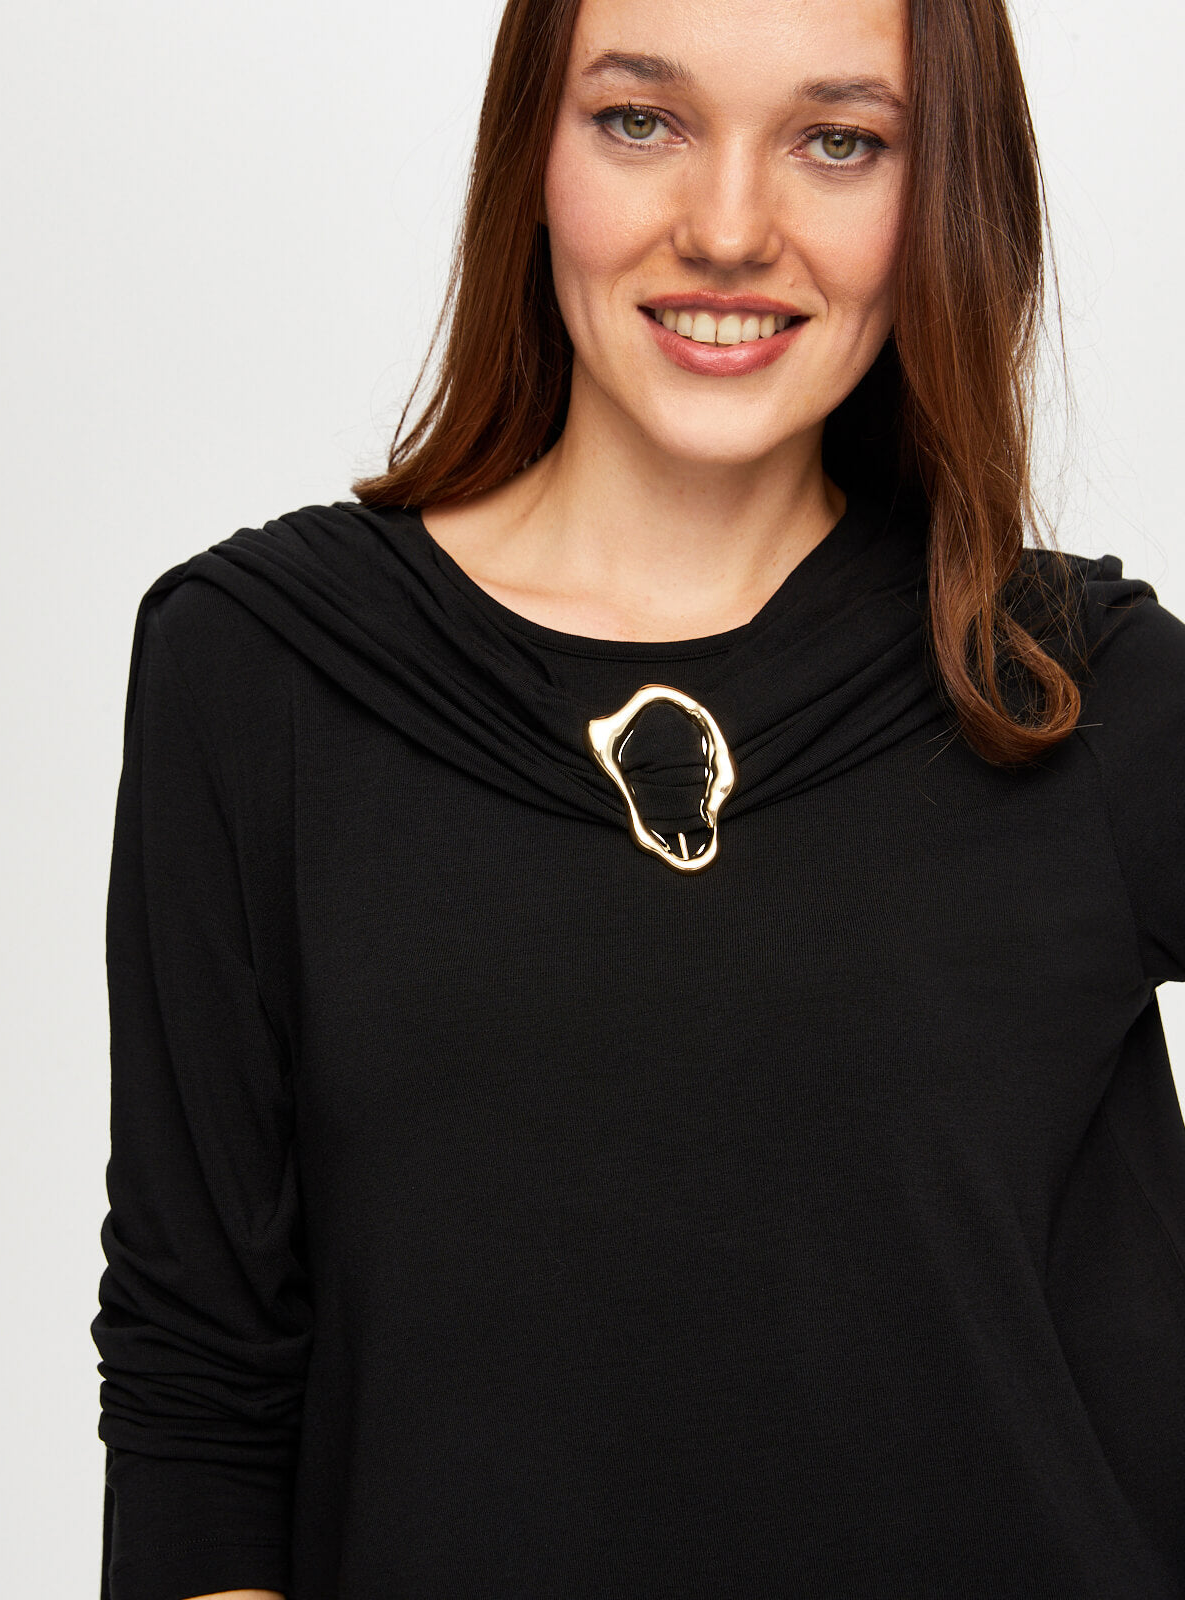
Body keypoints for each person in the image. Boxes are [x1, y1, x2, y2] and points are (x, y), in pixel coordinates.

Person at [91, 0, 1185, 1595]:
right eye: (640, 120)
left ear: (945, 188)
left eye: (839, 141)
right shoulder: (265, 673)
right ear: (530, 153)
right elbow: (199, 1384)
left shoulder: (1071, 691)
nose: (729, 228)